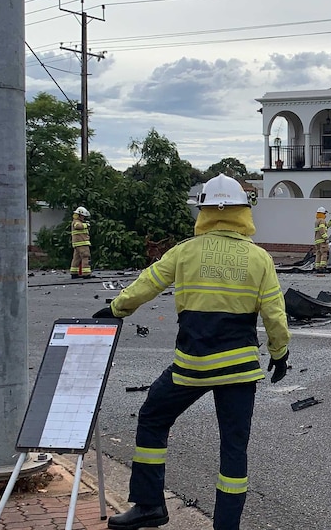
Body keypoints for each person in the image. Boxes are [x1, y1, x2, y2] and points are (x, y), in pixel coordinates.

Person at [92, 174, 291, 530]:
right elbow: (274, 313)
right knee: (233, 448)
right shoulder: (259, 258)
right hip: (240, 371)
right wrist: (280, 353)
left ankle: (150, 504)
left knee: (153, 418)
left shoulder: (184, 251)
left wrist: (116, 308)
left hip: (190, 368)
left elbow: (147, 284)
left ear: (203, 212)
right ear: (243, 212)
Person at [70, 206, 92, 279]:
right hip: (82, 243)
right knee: (86, 257)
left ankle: (74, 273)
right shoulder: (77, 222)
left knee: (76, 258)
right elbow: (78, 226)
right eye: (83, 216)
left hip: (77, 244)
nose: (83, 218)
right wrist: (86, 225)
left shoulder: (76, 221)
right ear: (79, 215)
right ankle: (86, 273)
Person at [314, 206, 328, 272]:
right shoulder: (322, 220)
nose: (325, 215)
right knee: (324, 253)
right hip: (322, 240)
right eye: (325, 214)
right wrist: (325, 237)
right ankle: (322, 267)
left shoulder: (316, 221)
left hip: (317, 241)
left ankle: (317, 267)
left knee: (318, 253)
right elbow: (322, 229)